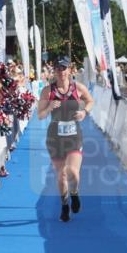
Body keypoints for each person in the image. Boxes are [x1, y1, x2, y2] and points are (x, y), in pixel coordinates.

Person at [37, 56, 94, 222]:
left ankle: (74, 193)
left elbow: (90, 101)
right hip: (55, 136)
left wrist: (85, 112)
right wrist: (48, 107)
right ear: (54, 71)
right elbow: (40, 116)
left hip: (74, 134)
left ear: (70, 70)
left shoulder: (78, 88)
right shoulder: (47, 91)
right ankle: (64, 205)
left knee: (73, 172)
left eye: (64, 68)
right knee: (61, 174)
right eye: (58, 68)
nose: (61, 72)